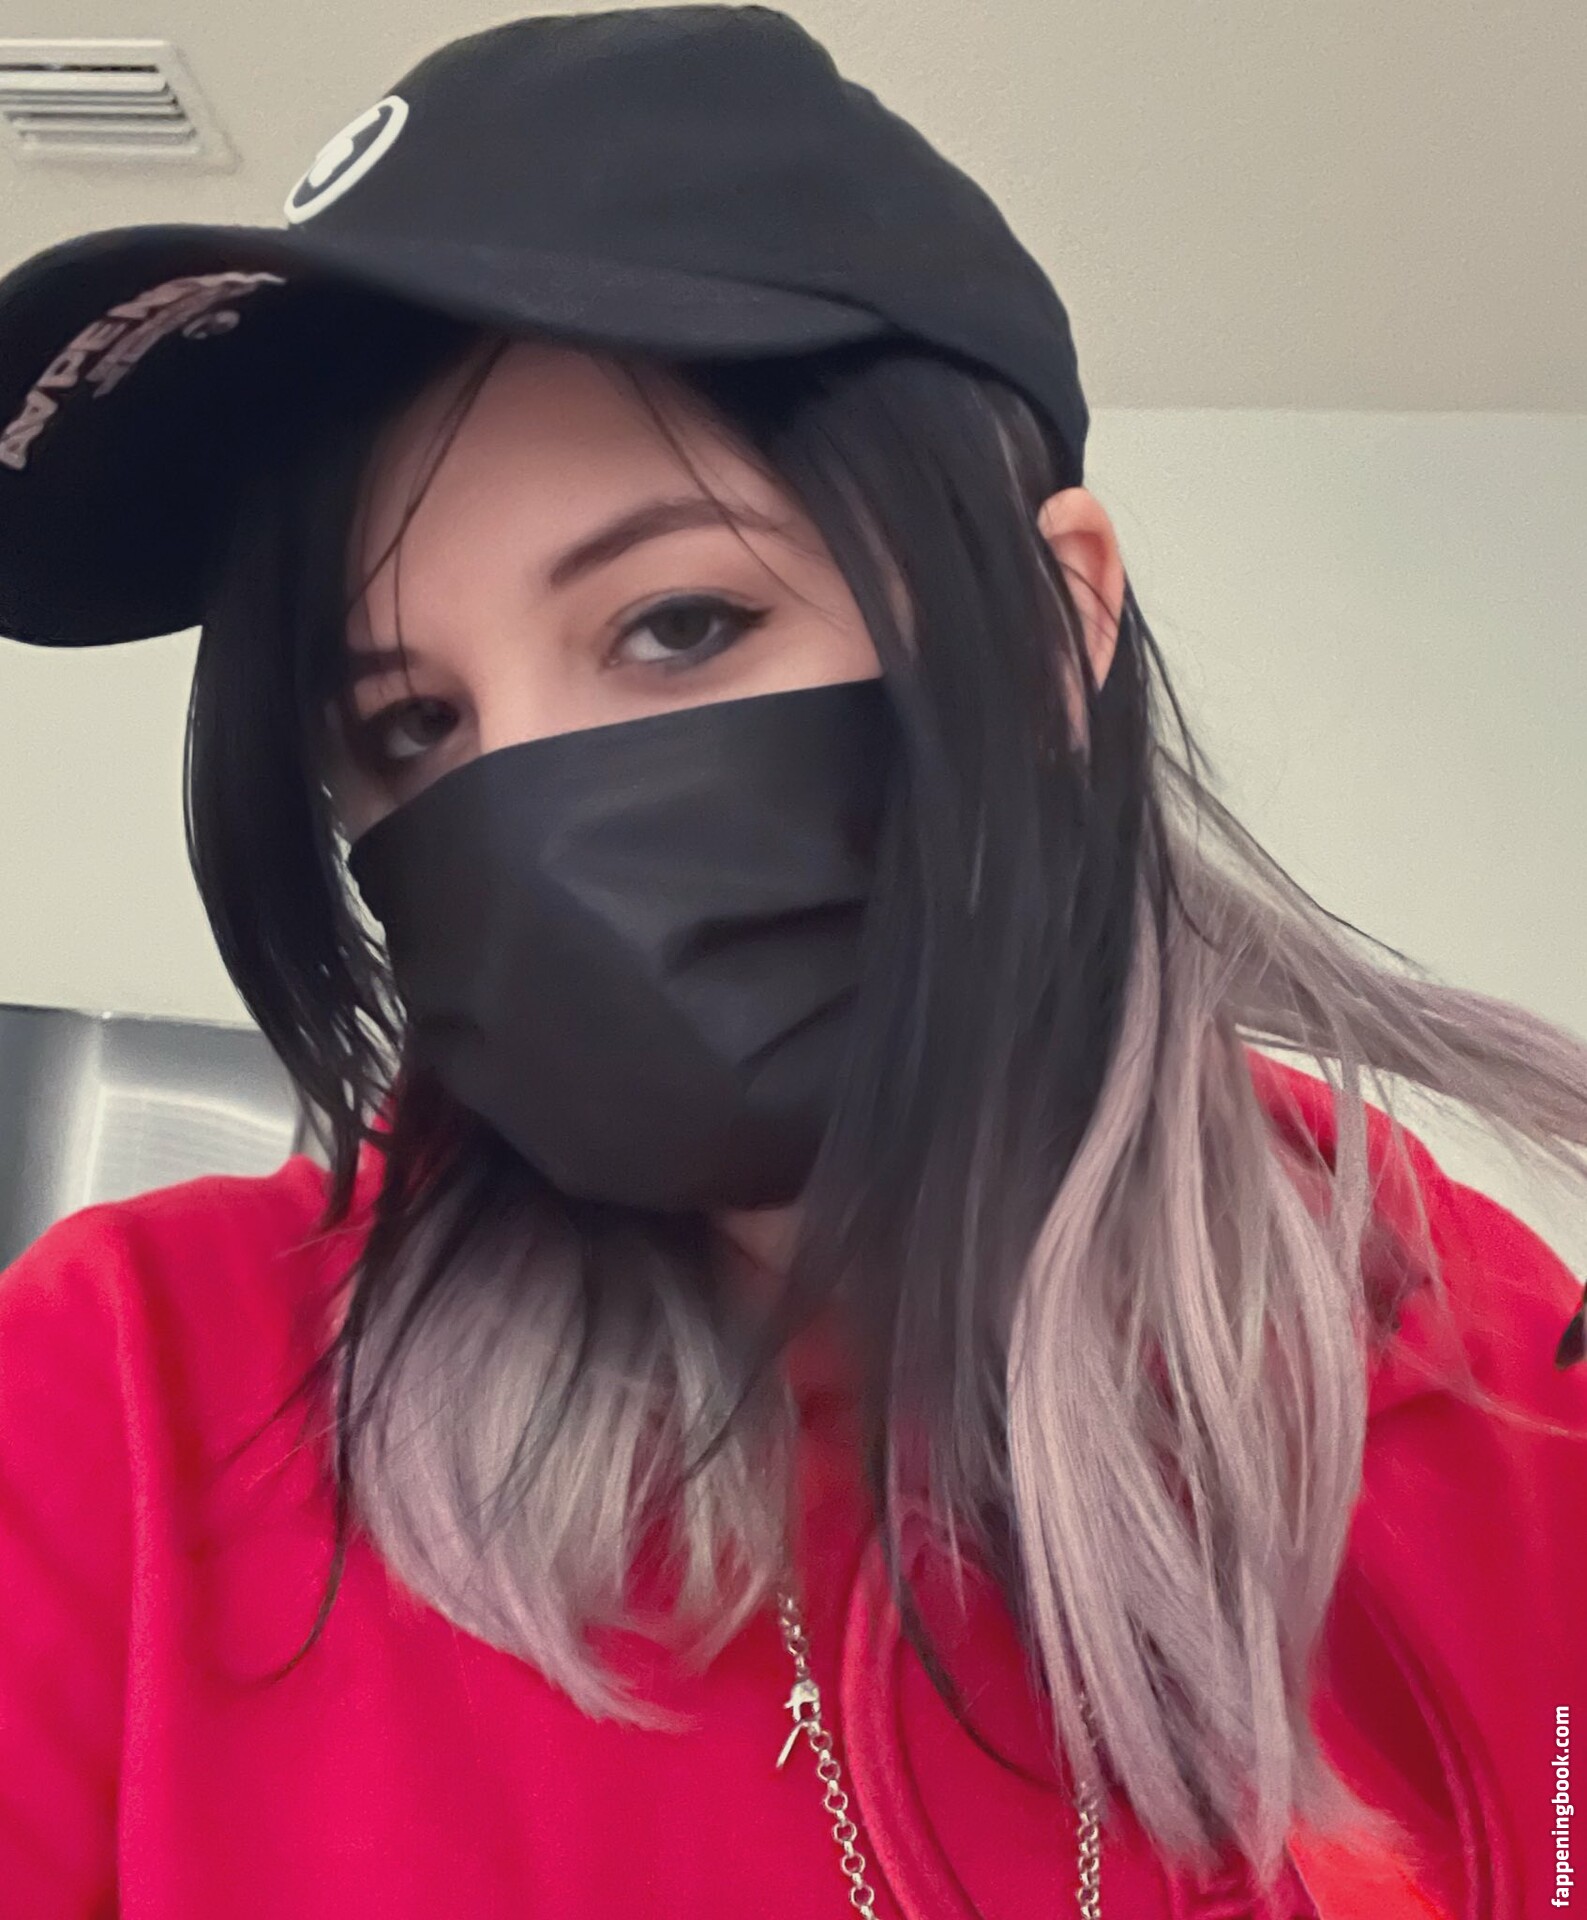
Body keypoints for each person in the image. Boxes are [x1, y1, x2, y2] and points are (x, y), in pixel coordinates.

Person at [0, 8, 1582, 1918]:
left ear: (1048, 629)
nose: (534, 825)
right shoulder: (127, 1410)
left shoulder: (1499, 1400)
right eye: (411, 726)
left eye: (678, 621)